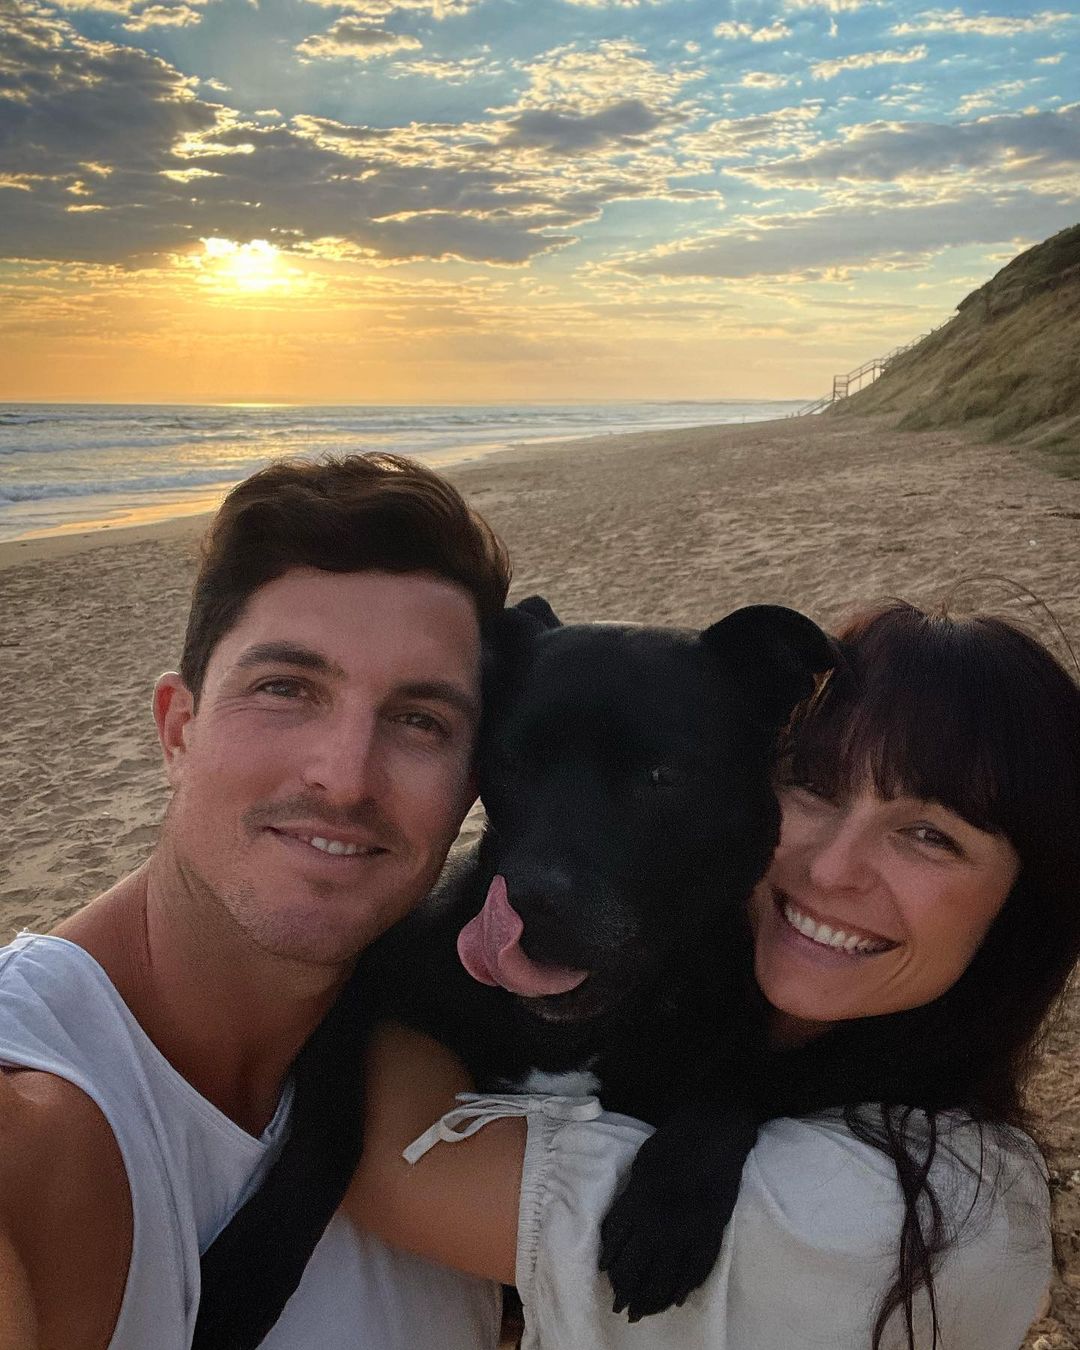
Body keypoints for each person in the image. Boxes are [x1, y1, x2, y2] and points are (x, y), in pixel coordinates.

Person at [345, 599, 1080, 1350]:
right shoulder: (704, 987)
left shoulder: (942, 1213)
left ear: (1028, 903)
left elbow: (404, 1168)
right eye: (815, 787)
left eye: (930, 835)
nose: (830, 870)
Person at [0, 453, 513, 1350]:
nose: (344, 777)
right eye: (286, 689)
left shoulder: (451, 1076)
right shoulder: (38, 1112)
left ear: (471, 789)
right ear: (177, 730)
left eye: (419, 720)